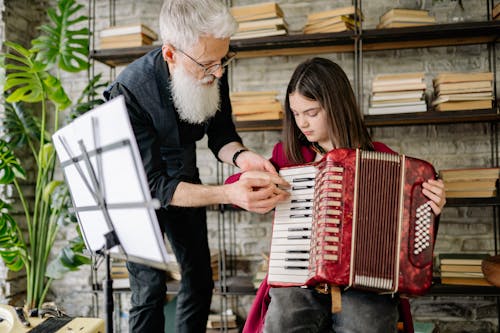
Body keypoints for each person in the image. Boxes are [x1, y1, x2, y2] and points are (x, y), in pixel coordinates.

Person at [103, 1, 290, 332]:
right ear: (171, 54)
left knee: (201, 279)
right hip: (137, 189)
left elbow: (221, 135)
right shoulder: (130, 90)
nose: (217, 72)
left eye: (222, 61)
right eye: (207, 65)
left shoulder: (212, 62)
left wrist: (243, 157)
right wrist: (228, 192)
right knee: (149, 290)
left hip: (185, 180)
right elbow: (154, 185)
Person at [227, 57, 446, 333]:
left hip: (365, 283)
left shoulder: (380, 156)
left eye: (312, 112)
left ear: (336, 106)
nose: (302, 123)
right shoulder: (291, 155)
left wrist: (431, 204)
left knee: (366, 324)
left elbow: (411, 230)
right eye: (296, 113)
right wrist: (250, 182)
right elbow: (239, 184)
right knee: (283, 320)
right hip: (300, 276)